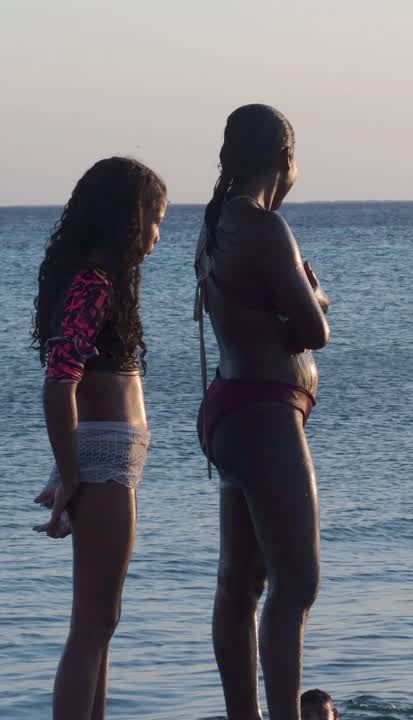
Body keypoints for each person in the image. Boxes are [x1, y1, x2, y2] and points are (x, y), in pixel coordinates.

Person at [195, 104, 331, 720]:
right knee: (295, 581)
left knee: (239, 584)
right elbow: (312, 329)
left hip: (231, 410)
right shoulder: (263, 226)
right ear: (285, 158)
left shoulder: (219, 222)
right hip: (264, 415)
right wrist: (317, 291)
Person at [31, 157, 167, 720]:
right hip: (102, 461)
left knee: (100, 623)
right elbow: (58, 385)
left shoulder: (105, 283)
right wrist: (70, 476)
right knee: (93, 624)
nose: (160, 232)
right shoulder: (93, 284)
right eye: (155, 218)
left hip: (109, 459)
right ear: (127, 218)